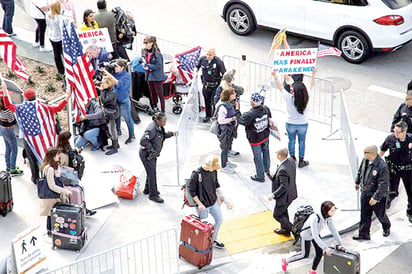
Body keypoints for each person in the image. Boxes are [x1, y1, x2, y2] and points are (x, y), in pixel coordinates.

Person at [1, 83, 70, 184]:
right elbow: (58, 108)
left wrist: (5, 91)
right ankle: (48, 176)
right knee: (46, 157)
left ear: (25, 98)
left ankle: (35, 178)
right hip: (43, 139)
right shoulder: (44, 107)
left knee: (32, 159)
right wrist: (67, 97)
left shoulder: (20, 108)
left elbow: (7, 105)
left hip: (28, 140)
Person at [281, 201, 344, 274]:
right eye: (332, 211)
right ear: (325, 211)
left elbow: (334, 231)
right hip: (306, 235)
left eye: (334, 210)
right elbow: (315, 236)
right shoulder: (315, 218)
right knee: (304, 255)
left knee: (319, 252)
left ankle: (312, 271)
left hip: (315, 233)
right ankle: (285, 261)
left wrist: (341, 244)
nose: (333, 212)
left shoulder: (328, 217)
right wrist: (325, 248)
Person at [271, 69, 317, 168]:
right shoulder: (307, 97)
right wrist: (313, 74)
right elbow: (312, 85)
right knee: (302, 141)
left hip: (290, 123)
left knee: (291, 140)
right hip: (303, 123)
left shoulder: (289, 98)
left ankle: (292, 158)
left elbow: (280, 87)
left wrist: (275, 76)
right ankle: (301, 160)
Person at [189, 155, 232, 249]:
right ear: (208, 165)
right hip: (203, 205)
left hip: (213, 202)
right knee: (203, 226)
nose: (214, 169)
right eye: (213, 167)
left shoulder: (214, 171)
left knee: (219, 219)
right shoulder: (196, 174)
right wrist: (199, 204)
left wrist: (225, 200)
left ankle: (214, 239)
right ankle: (203, 242)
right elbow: (191, 191)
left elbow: (216, 186)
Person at [353, 145, 391, 241]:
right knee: (364, 214)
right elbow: (360, 172)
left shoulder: (382, 166)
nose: (364, 155)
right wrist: (357, 182)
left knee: (380, 214)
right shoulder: (365, 160)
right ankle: (364, 234)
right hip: (365, 192)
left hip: (377, 195)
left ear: (373, 154)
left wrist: (376, 197)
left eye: (366, 153)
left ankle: (386, 227)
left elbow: (383, 184)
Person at [139, 112, 177, 203]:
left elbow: (162, 135)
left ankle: (148, 189)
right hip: (147, 155)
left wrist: (172, 134)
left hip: (152, 155)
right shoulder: (152, 129)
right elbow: (143, 141)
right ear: (157, 120)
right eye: (164, 120)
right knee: (152, 174)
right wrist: (151, 150)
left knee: (150, 172)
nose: (165, 122)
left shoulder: (159, 127)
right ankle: (153, 195)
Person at [56, 130, 96, 216]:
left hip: (71, 174)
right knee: (76, 192)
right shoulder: (62, 153)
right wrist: (71, 169)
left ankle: (83, 209)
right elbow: (61, 167)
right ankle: (82, 210)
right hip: (68, 176)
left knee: (78, 191)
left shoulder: (66, 148)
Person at [235, 92, 272, 182]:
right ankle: (266, 169)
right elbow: (269, 118)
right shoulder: (266, 109)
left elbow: (240, 120)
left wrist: (237, 109)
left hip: (255, 139)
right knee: (266, 152)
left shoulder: (249, 114)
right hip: (265, 135)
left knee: (257, 157)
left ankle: (260, 175)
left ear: (252, 103)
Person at [380, 121, 412, 220]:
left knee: (411, 192)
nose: (396, 134)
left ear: (404, 131)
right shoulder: (390, 139)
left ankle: (410, 212)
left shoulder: (411, 139)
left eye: (398, 132)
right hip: (394, 169)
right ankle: (386, 203)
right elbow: (382, 150)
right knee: (391, 191)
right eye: (395, 131)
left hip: (408, 169)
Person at [39, 147, 72, 236]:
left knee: (52, 214)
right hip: (51, 196)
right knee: (52, 214)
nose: (59, 156)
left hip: (54, 195)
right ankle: (51, 230)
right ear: (53, 156)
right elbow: (51, 185)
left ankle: (52, 230)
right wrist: (63, 191)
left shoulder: (53, 166)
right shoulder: (50, 169)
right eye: (57, 155)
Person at [267, 147, 297, 237]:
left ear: (280, 156)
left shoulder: (283, 170)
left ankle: (294, 229)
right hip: (291, 193)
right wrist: (275, 177)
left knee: (277, 215)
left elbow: (283, 186)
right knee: (283, 212)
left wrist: (273, 195)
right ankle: (285, 230)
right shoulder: (291, 161)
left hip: (284, 197)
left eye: (277, 154)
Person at [104, 59, 135, 144]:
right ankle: (118, 130)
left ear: (122, 67)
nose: (115, 68)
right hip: (116, 100)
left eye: (117, 66)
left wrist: (109, 74)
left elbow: (119, 84)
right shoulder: (114, 74)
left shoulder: (127, 76)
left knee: (127, 118)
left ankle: (132, 135)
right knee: (117, 117)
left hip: (124, 101)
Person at [214, 69, 243, 157]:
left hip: (233, 114)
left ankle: (229, 149)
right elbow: (217, 103)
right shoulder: (222, 89)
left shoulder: (231, 86)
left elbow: (241, 90)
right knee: (225, 137)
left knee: (231, 134)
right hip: (227, 117)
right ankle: (226, 153)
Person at [196, 48, 226, 122]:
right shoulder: (202, 59)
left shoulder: (218, 61)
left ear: (214, 55)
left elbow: (224, 73)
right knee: (207, 101)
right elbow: (197, 66)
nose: (208, 56)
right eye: (207, 54)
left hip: (215, 86)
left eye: (210, 55)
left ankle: (215, 116)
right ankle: (208, 115)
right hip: (206, 85)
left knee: (214, 102)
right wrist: (195, 72)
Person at [142, 36, 166, 113]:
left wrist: (148, 66)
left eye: (147, 43)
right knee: (152, 94)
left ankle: (163, 110)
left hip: (157, 77)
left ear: (152, 43)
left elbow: (159, 66)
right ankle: (155, 107)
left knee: (160, 95)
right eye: (144, 43)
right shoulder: (146, 52)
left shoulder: (157, 54)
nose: (145, 45)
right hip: (149, 76)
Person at [215, 88, 237, 174]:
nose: (235, 94)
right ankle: (223, 166)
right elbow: (221, 121)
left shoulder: (229, 104)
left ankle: (226, 162)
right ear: (228, 96)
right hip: (225, 130)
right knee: (224, 148)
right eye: (233, 93)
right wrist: (232, 119)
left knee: (227, 147)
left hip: (230, 129)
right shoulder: (223, 107)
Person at [0, 96, 22, 175]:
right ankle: (13, 168)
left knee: (8, 148)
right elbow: (12, 121)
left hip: (3, 129)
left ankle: (8, 166)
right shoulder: (7, 110)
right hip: (9, 130)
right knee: (14, 149)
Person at [98, 75, 119, 155]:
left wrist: (102, 91)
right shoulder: (108, 90)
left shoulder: (112, 92)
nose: (102, 84)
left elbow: (104, 100)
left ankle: (115, 148)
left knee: (112, 129)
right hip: (109, 111)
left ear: (109, 84)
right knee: (111, 129)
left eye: (103, 83)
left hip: (112, 113)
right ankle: (116, 144)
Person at [46, 1, 64, 77]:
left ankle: (61, 70)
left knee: (56, 55)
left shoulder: (48, 15)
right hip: (59, 38)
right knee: (64, 54)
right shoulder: (59, 18)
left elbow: (48, 24)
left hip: (51, 36)